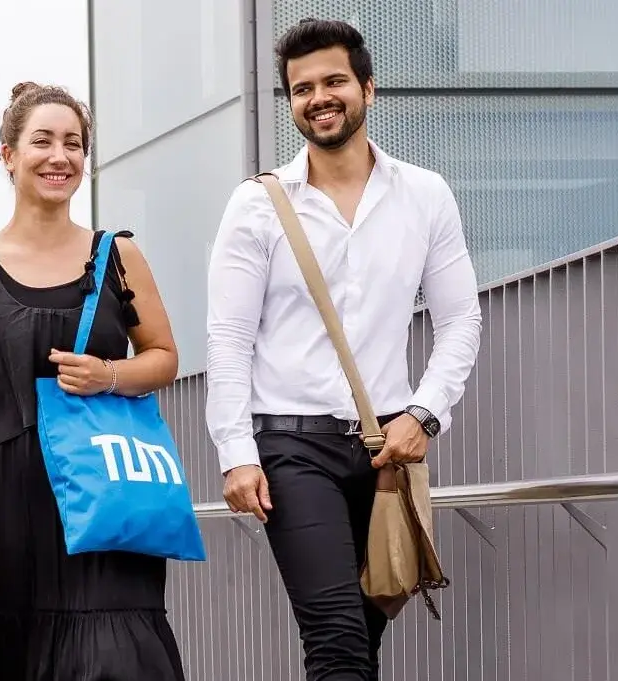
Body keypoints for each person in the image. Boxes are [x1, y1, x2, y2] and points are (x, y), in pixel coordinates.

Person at [205, 18, 484, 681]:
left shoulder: (424, 195)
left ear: (368, 88)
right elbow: (228, 339)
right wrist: (236, 453)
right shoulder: (256, 206)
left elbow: (461, 320)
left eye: (334, 81)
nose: (319, 97)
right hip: (290, 448)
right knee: (333, 637)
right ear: (292, 102)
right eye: (302, 89)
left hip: (386, 448)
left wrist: (424, 413)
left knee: (363, 637)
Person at [0, 81, 187, 680]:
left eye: (74, 144)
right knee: (12, 652)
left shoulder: (118, 254)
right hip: (7, 498)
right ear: (9, 155)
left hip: (104, 496)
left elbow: (164, 356)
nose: (60, 157)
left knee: (119, 657)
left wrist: (111, 374)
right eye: (42, 141)